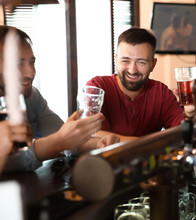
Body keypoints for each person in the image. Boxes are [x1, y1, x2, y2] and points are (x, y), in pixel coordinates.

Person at [0, 26, 119, 172]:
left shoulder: (32, 96)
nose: (31, 73)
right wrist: (58, 141)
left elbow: (63, 136)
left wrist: (98, 144)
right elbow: (10, 161)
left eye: (32, 62)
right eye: (18, 64)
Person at [87, 27, 195, 139]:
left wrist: (190, 114)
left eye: (141, 62)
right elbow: (88, 135)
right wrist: (143, 143)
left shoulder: (161, 92)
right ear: (116, 59)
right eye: (125, 61)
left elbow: (183, 132)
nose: (132, 70)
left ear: (153, 64)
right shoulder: (97, 87)